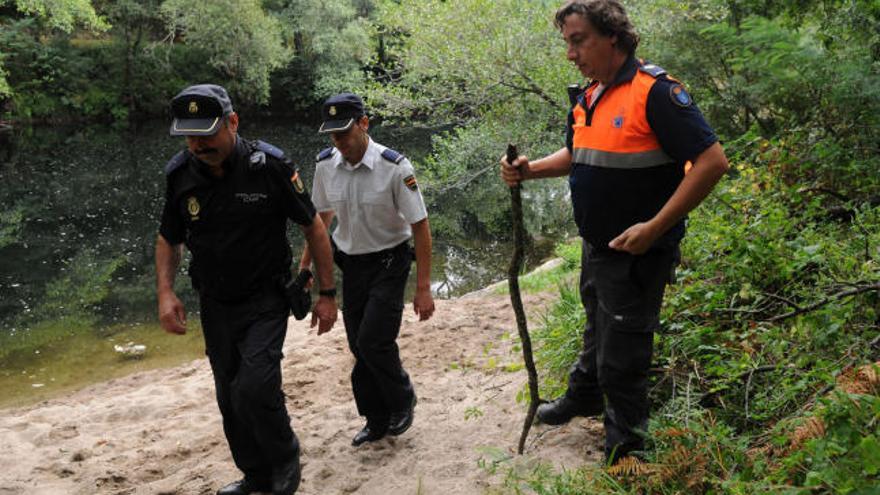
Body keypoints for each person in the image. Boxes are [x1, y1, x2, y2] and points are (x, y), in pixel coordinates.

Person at [500, 0, 729, 463]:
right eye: (567, 42)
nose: (570, 53)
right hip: (597, 245)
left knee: (622, 357)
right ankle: (584, 395)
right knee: (595, 326)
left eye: (578, 40)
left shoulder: (656, 93)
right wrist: (529, 170)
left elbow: (712, 162)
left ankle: (627, 455)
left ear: (613, 36)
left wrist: (654, 227)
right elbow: (576, 155)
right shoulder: (590, 96)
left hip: (638, 254)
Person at [155, 84, 338, 495]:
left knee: (255, 386)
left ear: (232, 122)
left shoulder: (270, 166)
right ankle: (254, 473)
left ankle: (285, 455)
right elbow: (169, 237)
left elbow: (314, 226)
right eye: (191, 135)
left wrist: (327, 294)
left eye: (208, 133)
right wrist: (166, 292)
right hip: (216, 302)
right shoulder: (180, 174)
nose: (199, 144)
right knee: (229, 396)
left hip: (266, 298)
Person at [299, 92, 435, 447]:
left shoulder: (394, 167)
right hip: (352, 265)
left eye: (344, 132)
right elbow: (320, 220)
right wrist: (305, 268)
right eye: (332, 135)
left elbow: (420, 225)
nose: (338, 141)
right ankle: (375, 419)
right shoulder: (326, 165)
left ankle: (402, 399)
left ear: (364, 124)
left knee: (374, 340)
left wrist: (423, 287)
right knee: (359, 345)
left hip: (390, 262)